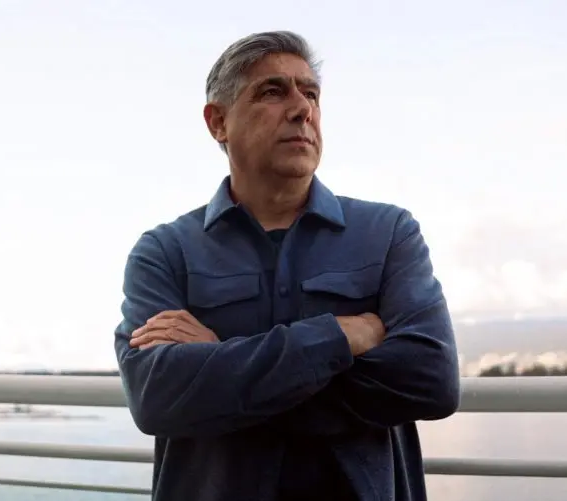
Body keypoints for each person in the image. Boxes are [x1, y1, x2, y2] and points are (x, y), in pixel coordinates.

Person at [114, 30, 460, 501]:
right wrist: (340, 337)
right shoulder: (165, 252)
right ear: (218, 122)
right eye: (273, 91)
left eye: (311, 94)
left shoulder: (387, 233)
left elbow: (431, 381)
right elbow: (156, 397)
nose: (302, 109)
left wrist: (223, 361)